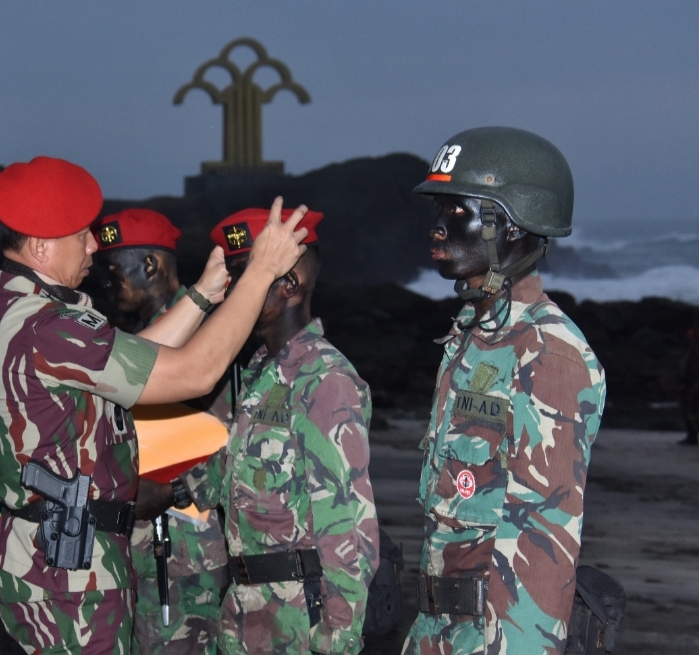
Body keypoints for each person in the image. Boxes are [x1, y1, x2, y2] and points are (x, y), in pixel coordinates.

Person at [0, 156, 308, 655]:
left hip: (53, 557)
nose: (93, 245)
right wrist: (260, 271)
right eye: (81, 235)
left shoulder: (16, 306)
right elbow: (195, 372)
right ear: (41, 246)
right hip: (68, 574)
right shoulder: (48, 325)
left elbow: (137, 362)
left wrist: (201, 295)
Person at [402, 127, 606, 655]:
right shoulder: (474, 337)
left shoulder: (547, 352)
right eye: (438, 210)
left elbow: (543, 547)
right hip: (439, 633)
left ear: (509, 224)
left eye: (457, 210)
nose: (438, 226)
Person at [141, 207, 380, 654]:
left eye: (247, 276)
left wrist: (337, 638)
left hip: (299, 621)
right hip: (245, 613)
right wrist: (168, 491)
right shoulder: (258, 372)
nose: (234, 291)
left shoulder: (324, 379)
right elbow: (233, 470)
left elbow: (348, 528)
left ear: (289, 284)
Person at [93, 208, 229, 654]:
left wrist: (174, 490)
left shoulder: (208, 337)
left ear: (150, 265)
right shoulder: (125, 341)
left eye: (114, 270)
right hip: (132, 550)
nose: (106, 283)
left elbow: (238, 441)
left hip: (188, 556)